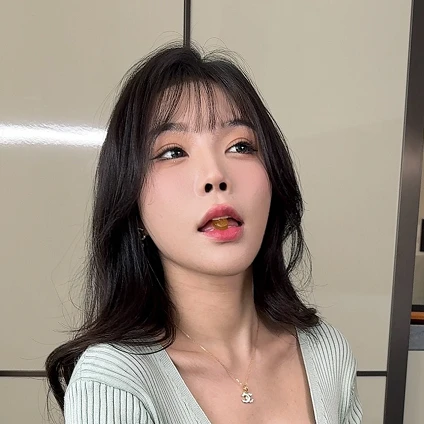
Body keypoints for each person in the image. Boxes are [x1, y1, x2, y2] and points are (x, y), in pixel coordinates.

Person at [45, 42, 362, 423]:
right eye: (173, 152)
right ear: (132, 205)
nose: (215, 175)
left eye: (240, 145)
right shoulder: (114, 380)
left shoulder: (327, 352)